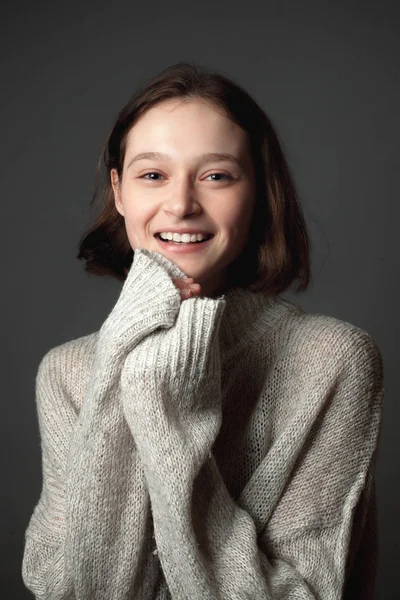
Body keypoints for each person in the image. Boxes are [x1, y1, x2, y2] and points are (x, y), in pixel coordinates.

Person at [21, 61, 384, 599]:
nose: (182, 204)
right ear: (120, 193)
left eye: (216, 175)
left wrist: (165, 412)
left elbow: (297, 594)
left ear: (258, 190)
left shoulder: (333, 360)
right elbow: (68, 588)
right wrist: (125, 355)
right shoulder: (68, 372)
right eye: (152, 175)